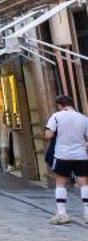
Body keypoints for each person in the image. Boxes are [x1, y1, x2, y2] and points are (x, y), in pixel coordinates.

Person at [46, 95, 88, 224]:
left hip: (62, 155)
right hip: (81, 155)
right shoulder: (83, 118)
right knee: (84, 183)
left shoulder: (56, 117)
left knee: (60, 183)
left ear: (59, 105)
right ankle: (87, 213)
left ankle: (62, 214)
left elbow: (48, 135)